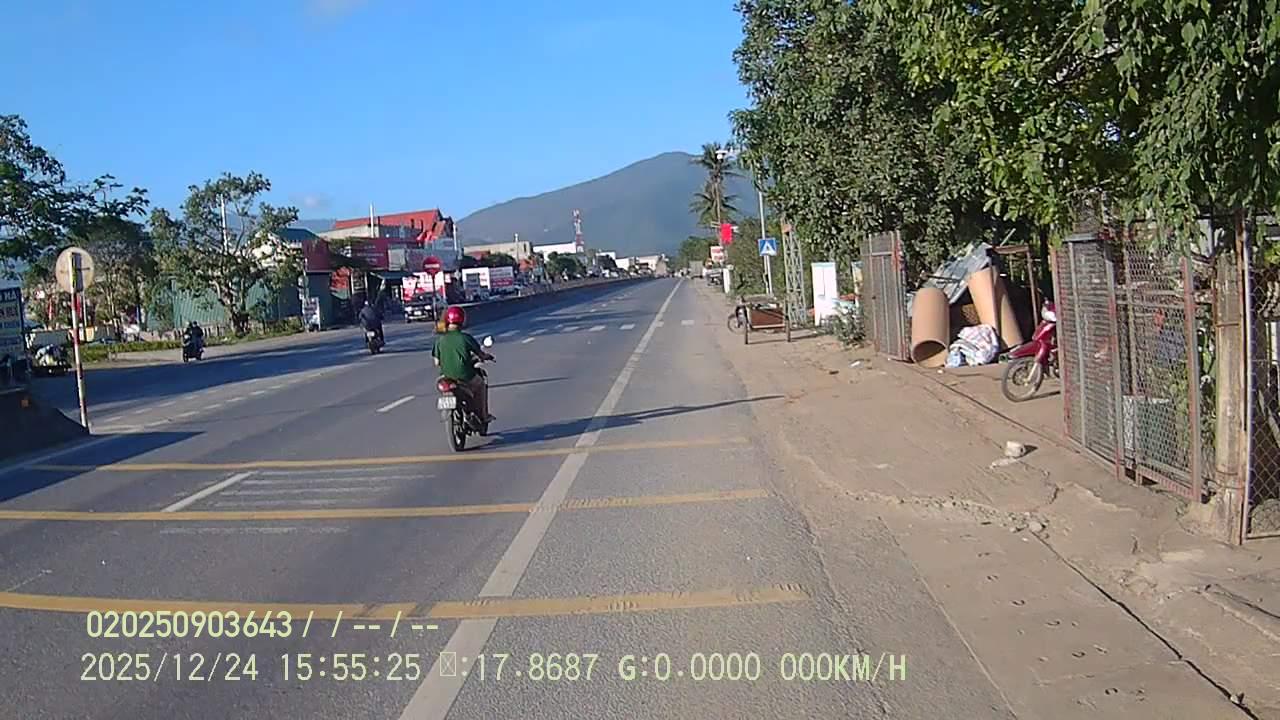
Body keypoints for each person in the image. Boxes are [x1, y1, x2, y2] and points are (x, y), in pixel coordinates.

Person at [432, 306, 495, 423]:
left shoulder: (440, 340)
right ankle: (483, 415)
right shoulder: (466, 338)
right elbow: (480, 355)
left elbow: (437, 362)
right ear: (462, 320)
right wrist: (486, 356)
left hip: (446, 376)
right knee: (481, 384)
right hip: (465, 376)